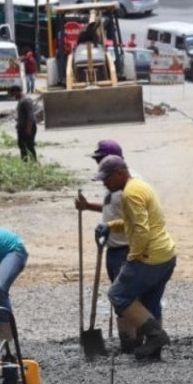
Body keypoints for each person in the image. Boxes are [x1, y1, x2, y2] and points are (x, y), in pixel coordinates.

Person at [93, 155, 176, 360]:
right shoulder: (139, 186)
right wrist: (111, 226)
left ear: (120, 173)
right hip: (166, 255)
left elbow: (141, 229)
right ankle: (153, 351)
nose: (104, 183)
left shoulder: (130, 193)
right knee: (150, 304)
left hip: (149, 257)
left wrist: (133, 257)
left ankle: (156, 336)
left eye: (107, 179)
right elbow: (133, 222)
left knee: (118, 295)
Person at [76, 140, 139, 352]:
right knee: (119, 295)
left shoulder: (127, 188)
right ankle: (127, 340)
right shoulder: (112, 186)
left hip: (125, 248)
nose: (98, 166)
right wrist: (87, 207)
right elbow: (109, 209)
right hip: (112, 248)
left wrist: (111, 228)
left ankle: (131, 342)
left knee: (124, 296)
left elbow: (133, 220)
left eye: (100, 160)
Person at [11, 85, 37, 162]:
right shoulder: (21, 100)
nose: (13, 97)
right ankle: (25, 162)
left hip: (27, 128)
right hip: (22, 127)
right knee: (21, 145)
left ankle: (33, 162)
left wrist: (28, 128)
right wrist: (18, 123)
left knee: (29, 146)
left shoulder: (26, 100)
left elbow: (30, 115)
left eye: (13, 94)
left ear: (17, 91)